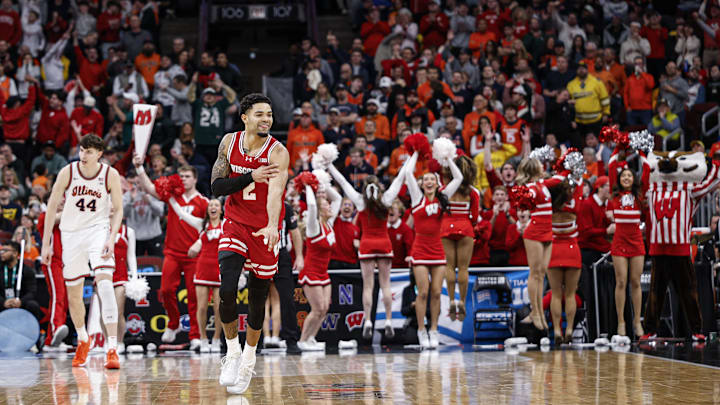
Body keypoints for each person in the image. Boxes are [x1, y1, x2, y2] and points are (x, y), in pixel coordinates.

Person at [210, 93, 288, 395]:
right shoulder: (228, 143)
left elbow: (275, 192)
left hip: (265, 229)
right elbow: (217, 187)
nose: (266, 119)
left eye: (269, 114)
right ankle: (232, 351)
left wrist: (271, 224)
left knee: (258, 298)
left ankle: (249, 357)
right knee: (227, 288)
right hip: (235, 222)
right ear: (245, 117)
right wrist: (250, 176)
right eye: (259, 114)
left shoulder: (277, 151)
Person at [40, 135, 124, 369]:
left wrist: (111, 237)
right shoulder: (68, 171)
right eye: (81, 150)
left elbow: (118, 210)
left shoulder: (110, 175)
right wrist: (46, 244)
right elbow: (50, 208)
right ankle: (83, 339)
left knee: (105, 284)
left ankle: (112, 348)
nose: (83, 155)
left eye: (88, 152)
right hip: (71, 234)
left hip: (98, 231)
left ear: (99, 153)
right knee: (74, 293)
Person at [329, 148, 416, 340]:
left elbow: (343, 182)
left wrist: (328, 164)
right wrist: (413, 156)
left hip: (367, 244)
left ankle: (368, 320)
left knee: (368, 286)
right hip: (384, 243)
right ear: (379, 187)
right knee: (385, 284)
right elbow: (400, 177)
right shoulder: (386, 200)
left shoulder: (360, 202)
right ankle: (387, 320)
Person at [133, 159, 208, 350]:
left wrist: (198, 245)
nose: (184, 179)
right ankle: (173, 324)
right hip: (172, 253)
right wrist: (139, 168)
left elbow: (208, 229)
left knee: (194, 296)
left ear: (195, 179)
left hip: (194, 256)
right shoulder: (173, 196)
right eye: (181, 176)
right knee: (165, 290)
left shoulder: (203, 202)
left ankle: (195, 335)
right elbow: (150, 188)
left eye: (187, 176)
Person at [404, 152, 463, 349]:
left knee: (437, 292)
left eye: (432, 179)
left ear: (437, 184)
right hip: (420, 250)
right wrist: (414, 153)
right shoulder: (416, 198)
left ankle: (434, 330)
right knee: (422, 293)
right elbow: (407, 172)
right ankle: (422, 330)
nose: (428, 182)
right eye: (425, 179)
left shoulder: (443, 198)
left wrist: (447, 160)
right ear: (421, 184)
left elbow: (459, 178)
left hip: (437, 249)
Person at [515, 156, 568, 341]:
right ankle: (535, 312)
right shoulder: (530, 188)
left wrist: (565, 160)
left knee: (543, 272)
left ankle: (538, 313)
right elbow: (521, 200)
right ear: (533, 169)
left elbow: (562, 178)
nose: (542, 166)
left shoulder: (543, 183)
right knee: (535, 273)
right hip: (534, 232)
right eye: (538, 164)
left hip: (547, 231)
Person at [607, 147, 648, 339]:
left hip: (636, 242)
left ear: (634, 179)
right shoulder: (614, 197)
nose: (626, 178)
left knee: (636, 282)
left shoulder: (640, 197)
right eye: (623, 175)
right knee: (621, 281)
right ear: (619, 179)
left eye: (629, 175)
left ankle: (637, 321)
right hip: (619, 242)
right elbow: (610, 166)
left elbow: (647, 170)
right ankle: (621, 322)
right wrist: (618, 146)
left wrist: (640, 152)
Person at [297, 181, 341, 351]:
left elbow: (337, 198)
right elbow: (311, 205)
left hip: (323, 273)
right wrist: (308, 185)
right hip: (311, 272)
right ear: (320, 209)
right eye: (326, 205)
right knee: (316, 309)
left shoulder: (329, 225)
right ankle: (302, 340)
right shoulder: (313, 227)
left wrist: (322, 185)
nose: (330, 207)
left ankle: (311, 338)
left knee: (324, 309)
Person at [441, 156, 478, 322]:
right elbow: (475, 217)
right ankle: (462, 301)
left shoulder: (443, 190)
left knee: (449, 267)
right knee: (463, 268)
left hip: (445, 227)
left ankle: (451, 300)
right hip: (465, 227)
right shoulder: (472, 192)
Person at [547, 180, 583, 345]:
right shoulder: (574, 205)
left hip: (554, 250)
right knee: (570, 294)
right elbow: (580, 186)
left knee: (555, 294)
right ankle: (569, 329)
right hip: (571, 249)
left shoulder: (549, 207)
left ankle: (556, 330)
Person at [187, 199, 224, 353]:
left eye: (216, 205)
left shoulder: (226, 226)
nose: (213, 207)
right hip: (203, 269)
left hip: (219, 270)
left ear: (221, 210)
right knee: (201, 307)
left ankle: (216, 339)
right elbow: (198, 245)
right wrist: (192, 249)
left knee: (219, 308)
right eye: (210, 205)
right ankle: (203, 338)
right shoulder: (203, 226)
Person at [37, 202, 68, 348]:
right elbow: (56, 219)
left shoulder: (69, 215)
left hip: (66, 261)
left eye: (65, 199)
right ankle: (56, 329)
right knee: (58, 296)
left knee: (65, 300)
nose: (62, 202)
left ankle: (52, 340)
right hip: (52, 261)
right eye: (59, 199)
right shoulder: (45, 216)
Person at [104, 223, 136, 354]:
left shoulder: (128, 231)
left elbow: (131, 256)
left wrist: (134, 276)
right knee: (105, 312)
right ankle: (107, 341)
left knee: (118, 311)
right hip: (103, 273)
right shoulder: (99, 228)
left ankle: (119, 341)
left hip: (121, 275)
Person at [0, 241, 41, 321]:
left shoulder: (26, 270)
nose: (2, 253)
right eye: (1, 250)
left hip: (20, 302)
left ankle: (34, 331)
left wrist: (21, 301)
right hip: (3, 302)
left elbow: (31, 292)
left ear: (15, 253)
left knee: (33, 305)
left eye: (5, 250)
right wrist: (3, 302)